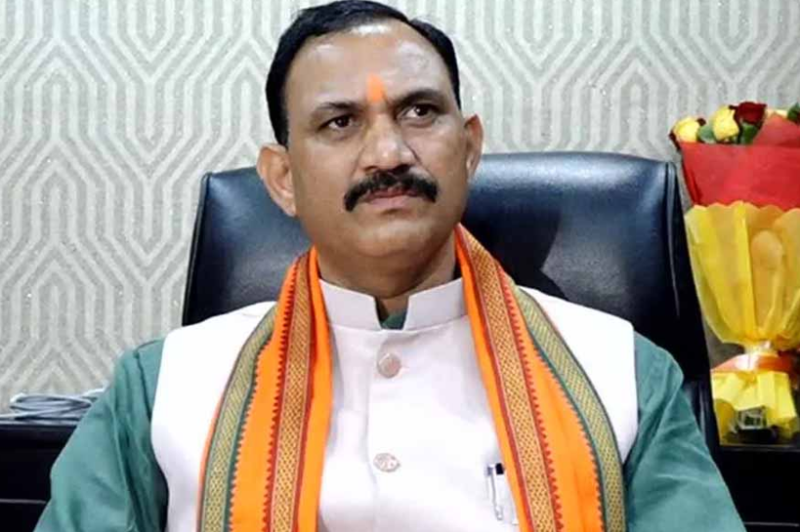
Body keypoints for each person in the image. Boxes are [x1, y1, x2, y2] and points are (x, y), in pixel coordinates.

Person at [35, 1, 745, 531]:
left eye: (420, 112)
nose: (388, 154)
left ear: (469, 149)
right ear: (282, 179)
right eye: (340, 122)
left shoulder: (624, 377)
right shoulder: (160, 390)